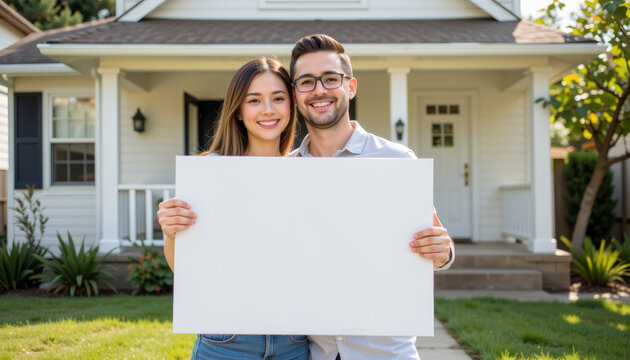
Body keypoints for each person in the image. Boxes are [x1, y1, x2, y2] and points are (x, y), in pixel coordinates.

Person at [288, 34, 455, 360]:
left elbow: (440, 246)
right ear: (295, 94)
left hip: (385, 352)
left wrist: (442, 251)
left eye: (330, 79)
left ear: (350, 87)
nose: (319, 90)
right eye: (306, 82)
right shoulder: (286, 172)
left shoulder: (396, 160)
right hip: (316, 352)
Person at [157, 57, 309, 360]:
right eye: (254, 100)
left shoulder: (308, 173)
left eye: (278, 98)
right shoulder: (207, 173)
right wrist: (172, 233)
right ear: (238, 111)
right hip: (226, 341)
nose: (268, 109)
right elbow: (184, 268)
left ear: (291, 106)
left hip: (294, 340)